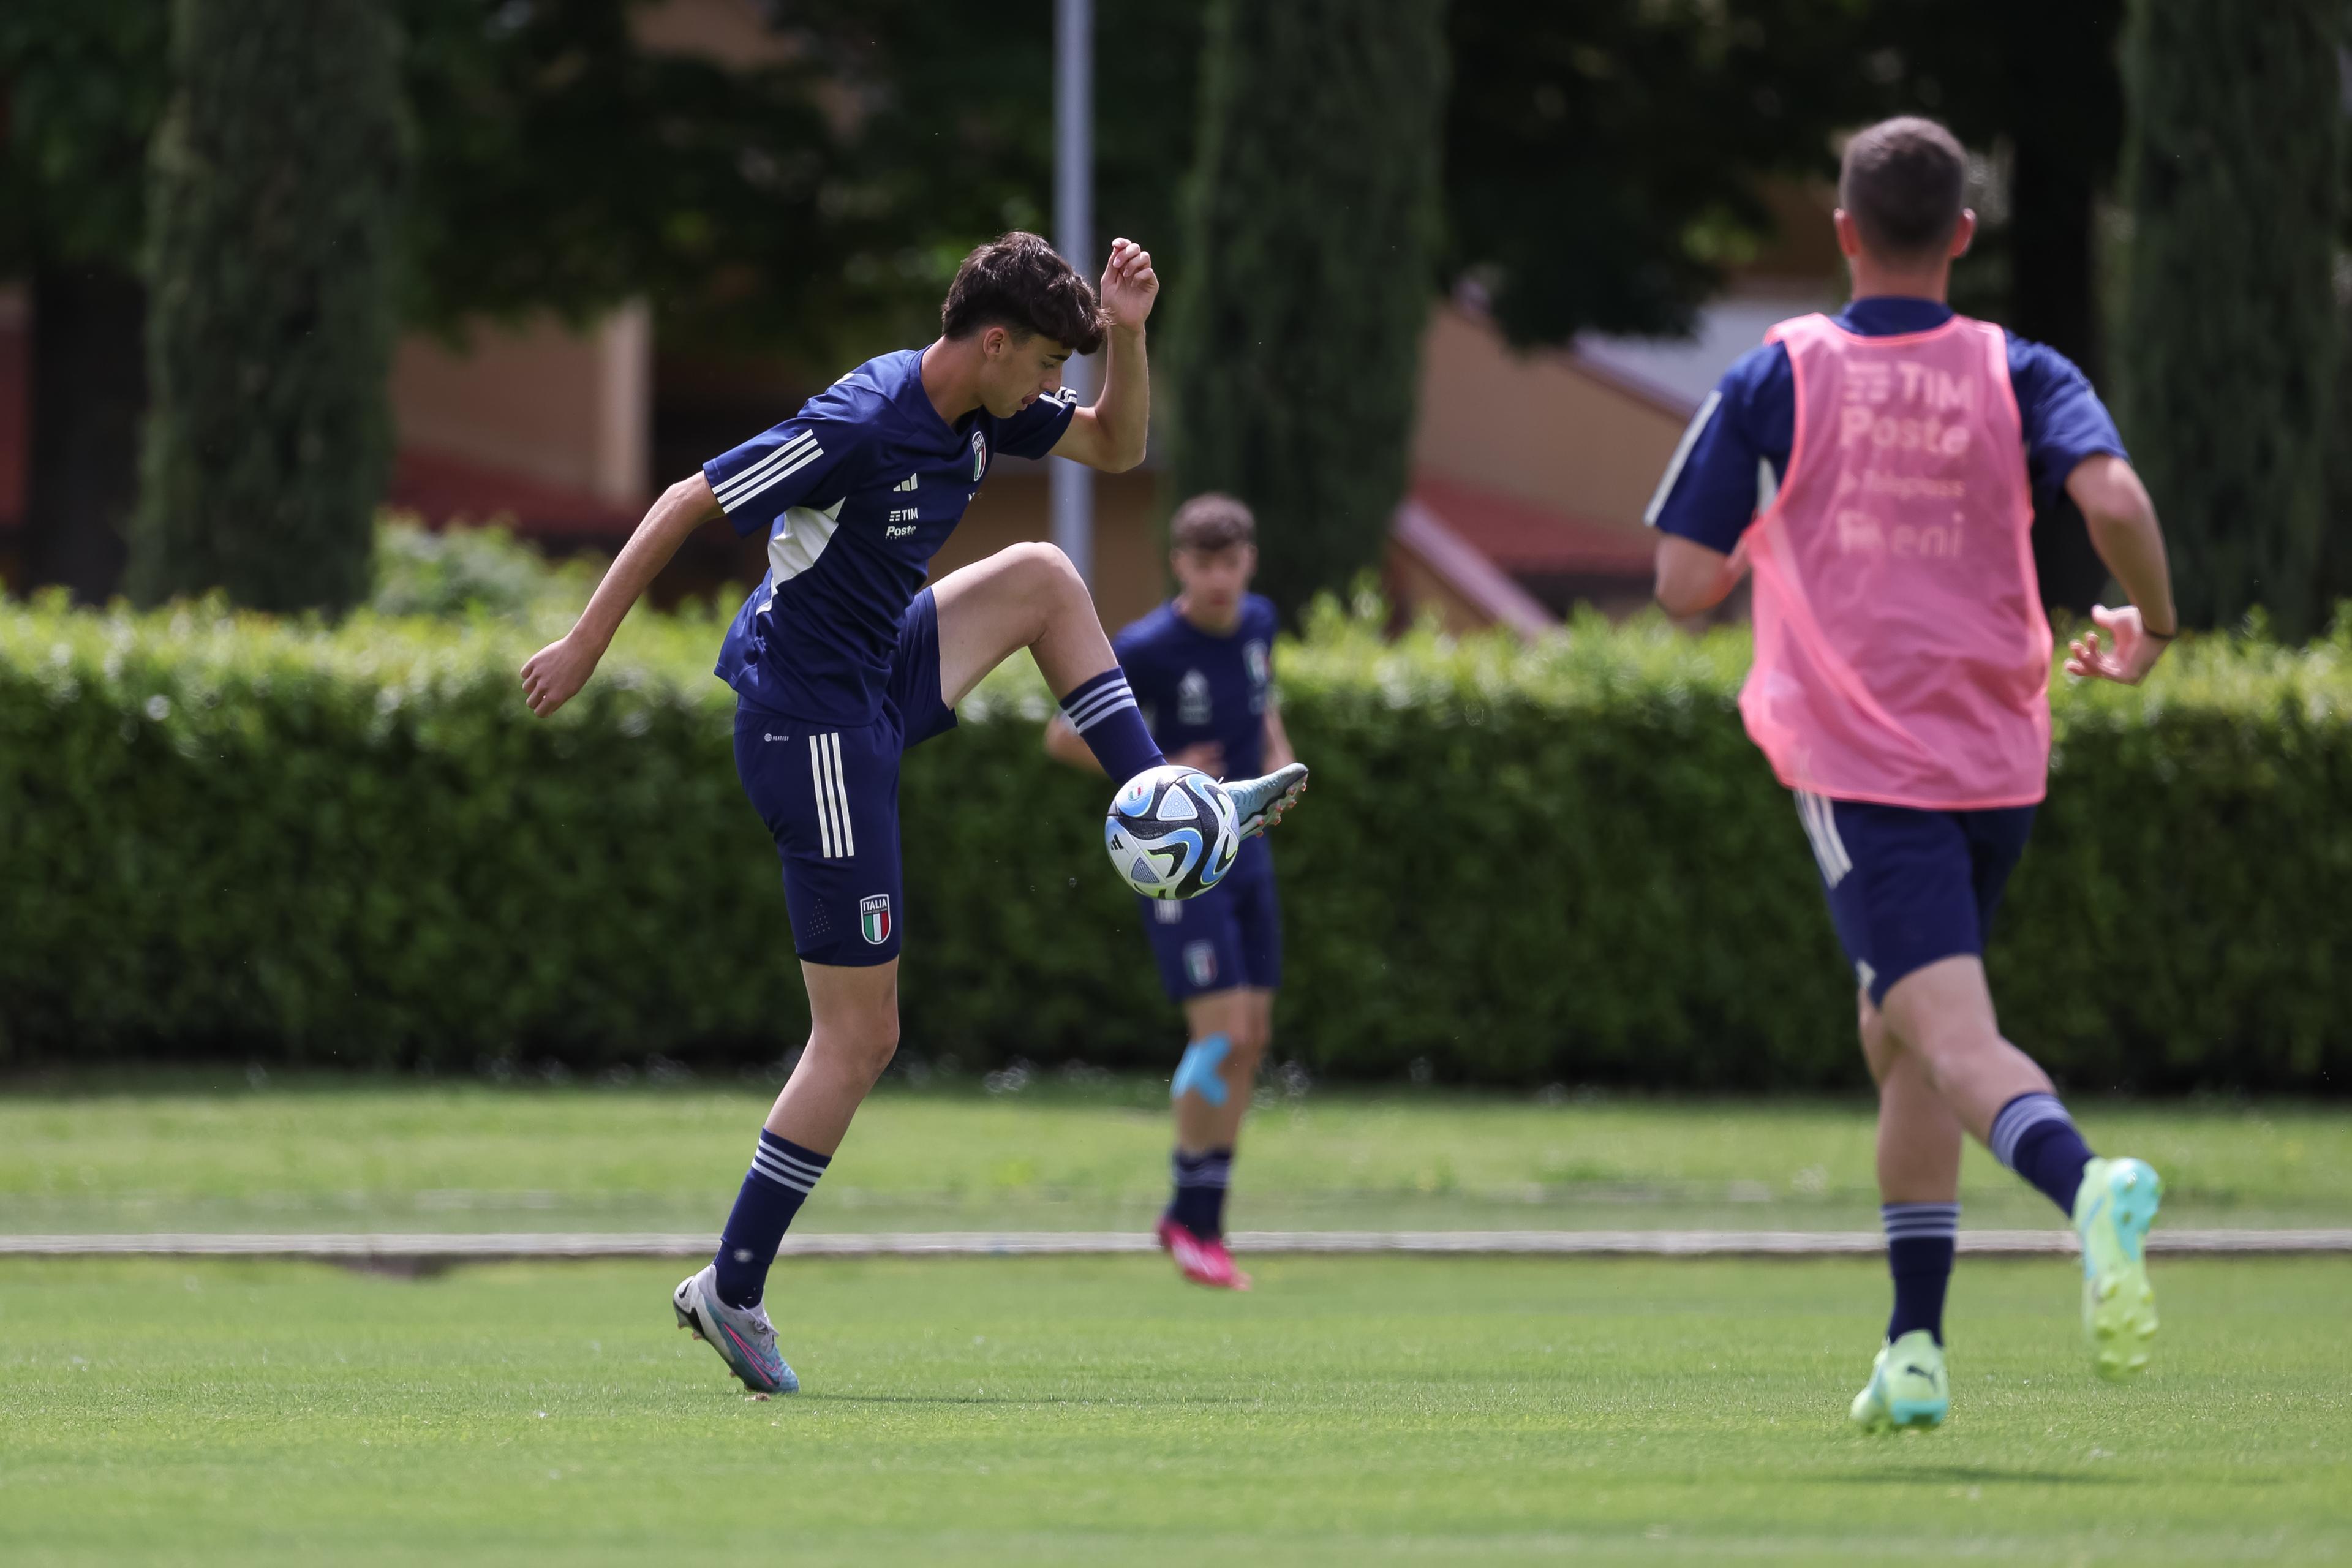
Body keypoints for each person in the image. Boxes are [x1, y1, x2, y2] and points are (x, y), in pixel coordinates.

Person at [519, 232, 1308, 1395]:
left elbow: (1118, 444)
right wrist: (585, 646)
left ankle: (1161, 795)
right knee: (861, 1038)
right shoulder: (862, 420)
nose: (1052, 386)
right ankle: (731, 1289)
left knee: (1043, 573)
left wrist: (1128, 337)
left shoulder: (981, 410)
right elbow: (691, 499)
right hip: (811, 730)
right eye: (1045, 363)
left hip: (875, 672)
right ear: (993, 343)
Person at [1646, 118, 2177, 1432]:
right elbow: (2110, 498)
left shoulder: (1784, 370)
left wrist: (1767, 531)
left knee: (1948, 1035)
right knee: (1897, 1034)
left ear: (1840, 231)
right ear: (1960, 237)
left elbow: (1679, 585)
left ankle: (2087, 1183)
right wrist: (2152, 623)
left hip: (1866, 760)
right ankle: (1917, 1347)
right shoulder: (2018, 364)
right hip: (2001, 758)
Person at [1046, 494, 1295, 1291]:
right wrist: (1163, 775)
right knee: (1219, 1034)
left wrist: (1279, 769)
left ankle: (1205, 1219)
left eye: (1232, 561)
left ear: (1249, 560)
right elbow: (1062, 737)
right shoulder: (1148, 646)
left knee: (1252, 1034)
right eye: (1203, 562)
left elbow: (1265, 707)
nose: (1219, 578)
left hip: (1246, 855)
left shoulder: (1259, 622)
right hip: (1184, 864)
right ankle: (1189, 1217)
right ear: (1179, 564)